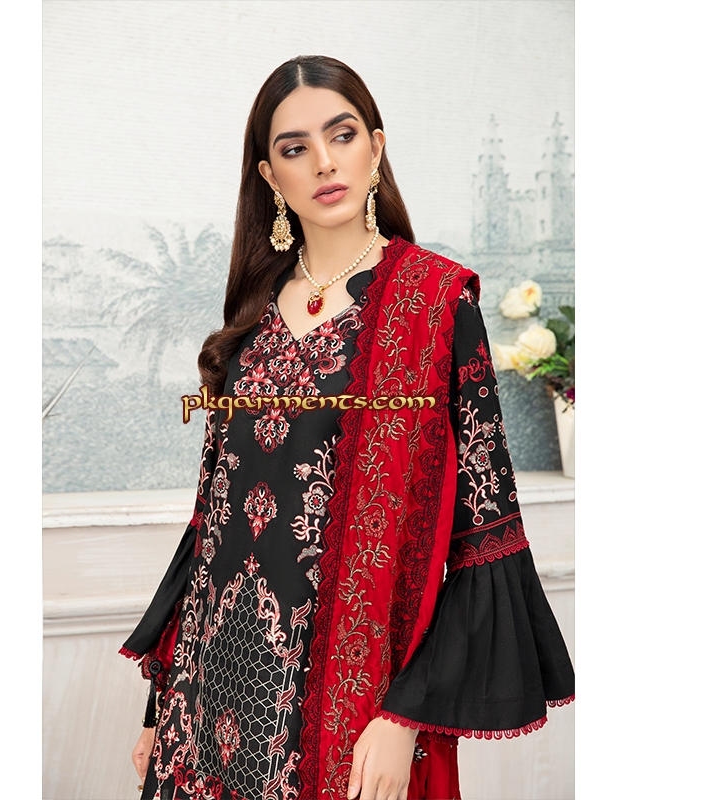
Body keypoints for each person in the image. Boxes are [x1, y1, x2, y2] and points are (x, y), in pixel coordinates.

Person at [120, 55, 575, 800]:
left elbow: (484, 529)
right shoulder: (251, 317)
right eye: (295, 148)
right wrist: (158, 704)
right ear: (270, 176)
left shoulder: (436, 304)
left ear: (376, 146)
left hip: (353, 711)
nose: (324, 162)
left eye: (342, 135)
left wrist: (405, 716)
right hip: (206, 707)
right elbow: (214, 526)